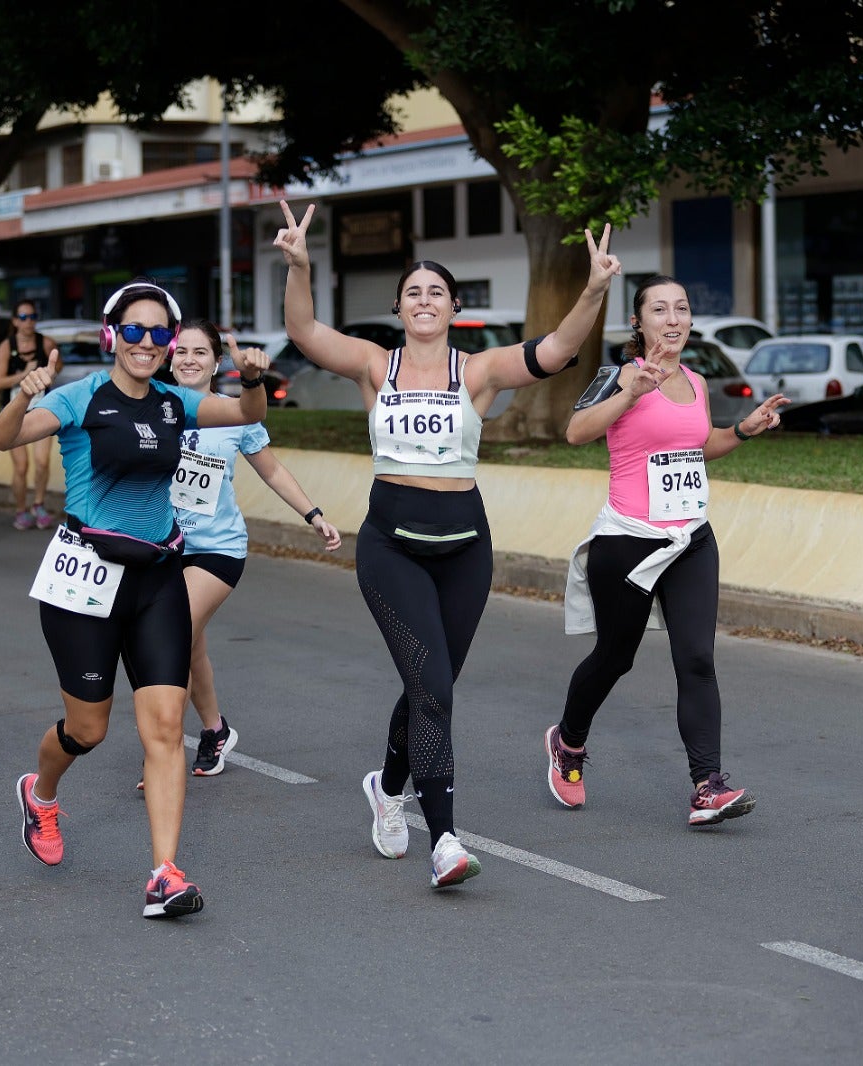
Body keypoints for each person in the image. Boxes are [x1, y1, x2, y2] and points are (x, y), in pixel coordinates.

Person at [273, 198, 620, 889]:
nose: (424, 300)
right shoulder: (376, 364)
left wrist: (593, 290)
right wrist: (301, 266)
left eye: (437, 292)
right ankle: (446, 843)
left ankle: (389, 784)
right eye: (413, 292)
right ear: (400, 308)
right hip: (390, 547)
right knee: (432, 688)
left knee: (430, 686)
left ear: (454, 307)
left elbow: (557, 352)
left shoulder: (479, 370)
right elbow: (305, 328)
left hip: (466, 547)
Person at [0, 280, 269, 919]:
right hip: (84, 577)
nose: (147, 343)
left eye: (158, 333)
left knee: (166, 729)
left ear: (171, 343)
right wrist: (19, 397)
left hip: (158, 577)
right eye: (134, 331)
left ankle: (164, 873)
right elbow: (3, 441)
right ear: (112, 336)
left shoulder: (175, 401)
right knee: (89, 727)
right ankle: (42, 792)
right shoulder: (81, 396)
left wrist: (252, 379)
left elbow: (246, 416)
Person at [545, 274, 789, 827]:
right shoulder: (619, 376)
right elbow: (576, 432)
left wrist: (744, 430)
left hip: (690, 539)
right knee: (615, 657)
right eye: (660, 309)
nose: (673, 319)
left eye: (681, 307)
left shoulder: (698, 382)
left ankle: (708, 786)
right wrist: (632, 391)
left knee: (697, 660)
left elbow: (697, 449)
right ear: (639, 322)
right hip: (627, 539)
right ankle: (569, 741)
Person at [140, 319, 340, 785]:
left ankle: (161, 752)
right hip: (162, 549)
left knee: (170, 633)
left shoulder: (234, 413)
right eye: (181, 351)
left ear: (216, 361)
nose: (189, 359)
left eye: (200, 352)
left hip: (216, 550)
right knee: (190, 645)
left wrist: (313, 514)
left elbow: (272, 471)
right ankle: (215, 729)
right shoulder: (152, 409)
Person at [0, 299, 60, 531]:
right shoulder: (6, 346)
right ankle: (21, 510)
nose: (28, 322)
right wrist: (24, 375)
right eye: (23, 317)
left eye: (32, 317)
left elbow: (56, 366)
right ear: (14, 321)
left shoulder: (46, 343)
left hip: (41, 410)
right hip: (15, 414)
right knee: (21, 466)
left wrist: (48, 374)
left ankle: (38, 505)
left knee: (42, 462)